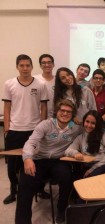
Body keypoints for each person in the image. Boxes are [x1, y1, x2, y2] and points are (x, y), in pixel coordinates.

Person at [15, 99, 82, 224]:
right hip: (38, 159)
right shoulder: (45, 124)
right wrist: (28, 158)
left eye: (69, 112)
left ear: (72, 115)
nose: (65, 114)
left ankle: (62, 210)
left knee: (67, 177)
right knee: (25, 185)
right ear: (56, 111)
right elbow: (30, 143)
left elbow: (92, 131)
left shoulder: (76, 128)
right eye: (62, 110)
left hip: (58, 160)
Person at [2, 54, 48, 205]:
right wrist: (7, 128)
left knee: (37, 162)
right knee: (13, 164)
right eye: (22, 65)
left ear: (32, 67)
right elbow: (7, 107)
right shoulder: (9, 84)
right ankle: (13, 191)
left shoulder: (41, 84)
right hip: (15, 130)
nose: (25, 68)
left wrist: (42, 128)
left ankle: (40, 189)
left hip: (34, 130)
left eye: (28, 65)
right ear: (17, 67)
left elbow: (43, 107)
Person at [65, 110, 105, 178]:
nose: (89, 125)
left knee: (89, 177)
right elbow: (68, 151)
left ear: (98, 124)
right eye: (87, 122)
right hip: (88, 165)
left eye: (93, 123)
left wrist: (92, 169)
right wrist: (75, 153)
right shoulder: (81, 137)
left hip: (104, 165)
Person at [34, 54, 55, 118]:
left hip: (54, 116)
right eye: (44, 63)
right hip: (37, 116)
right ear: (40, 65)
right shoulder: (34, 79)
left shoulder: (58, 80)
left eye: (49, 62)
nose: (47, 65)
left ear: (53, 64)